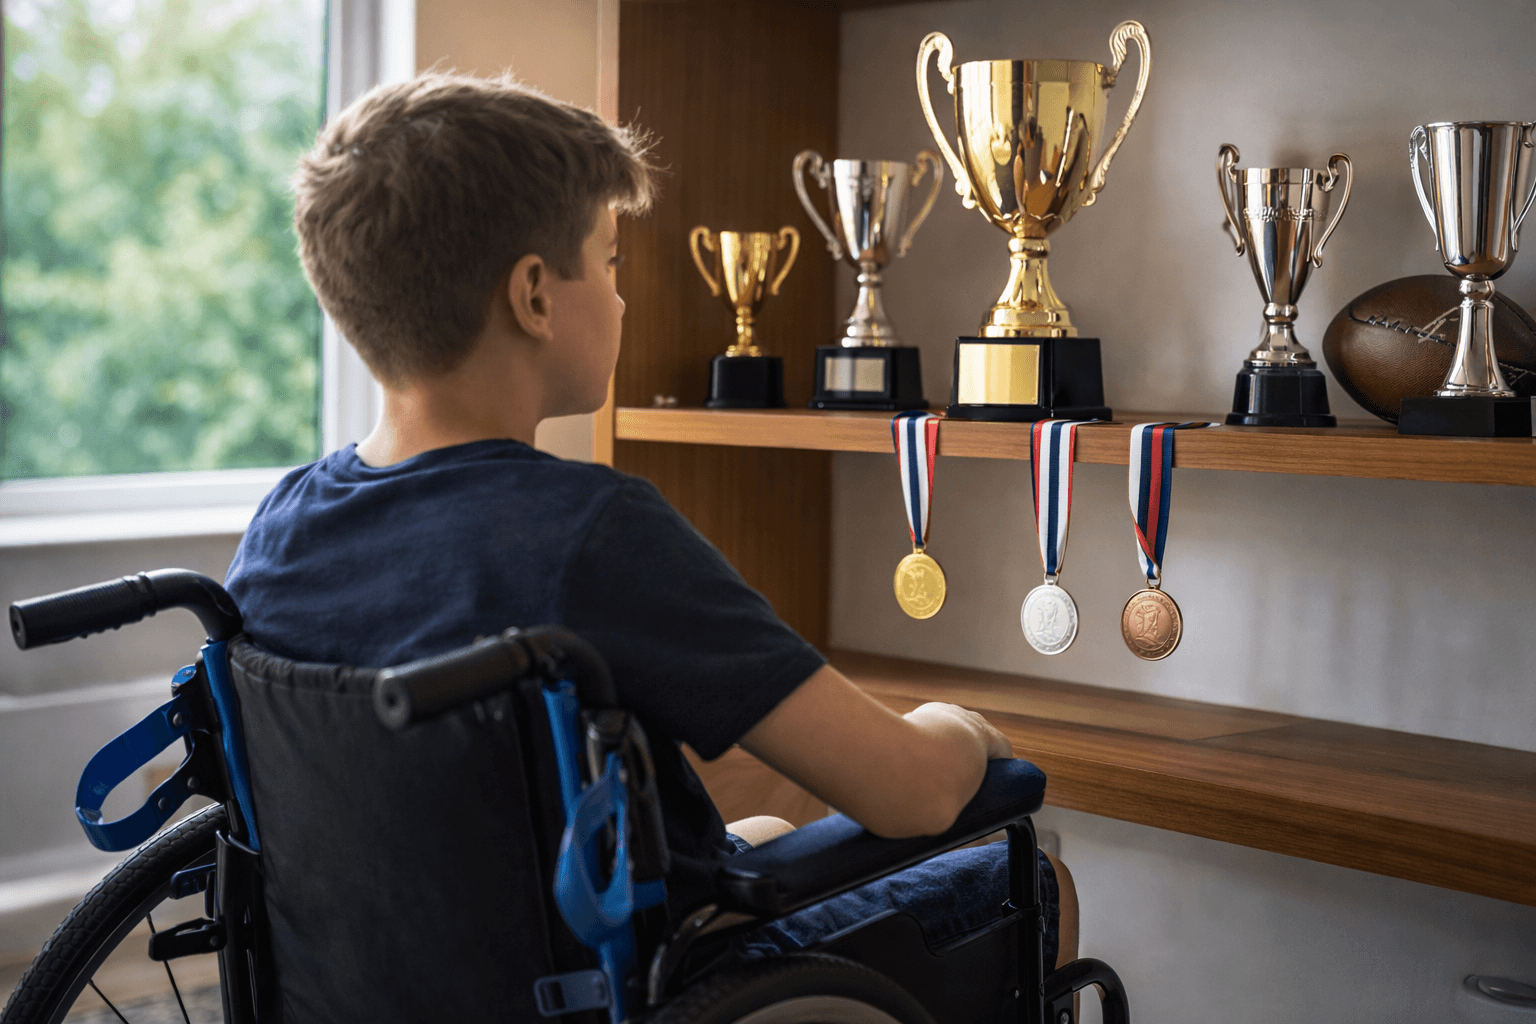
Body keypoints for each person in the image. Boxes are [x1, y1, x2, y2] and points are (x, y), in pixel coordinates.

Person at [225, 69, 1077, 1002]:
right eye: (613, 257)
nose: (626, 300)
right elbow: (906, 790)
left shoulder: (281, 528)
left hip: (388, 990)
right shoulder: (589, 534)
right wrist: (956, 729)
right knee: (1026, 874)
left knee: (750, 833)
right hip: (632, 989)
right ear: (535, 298)